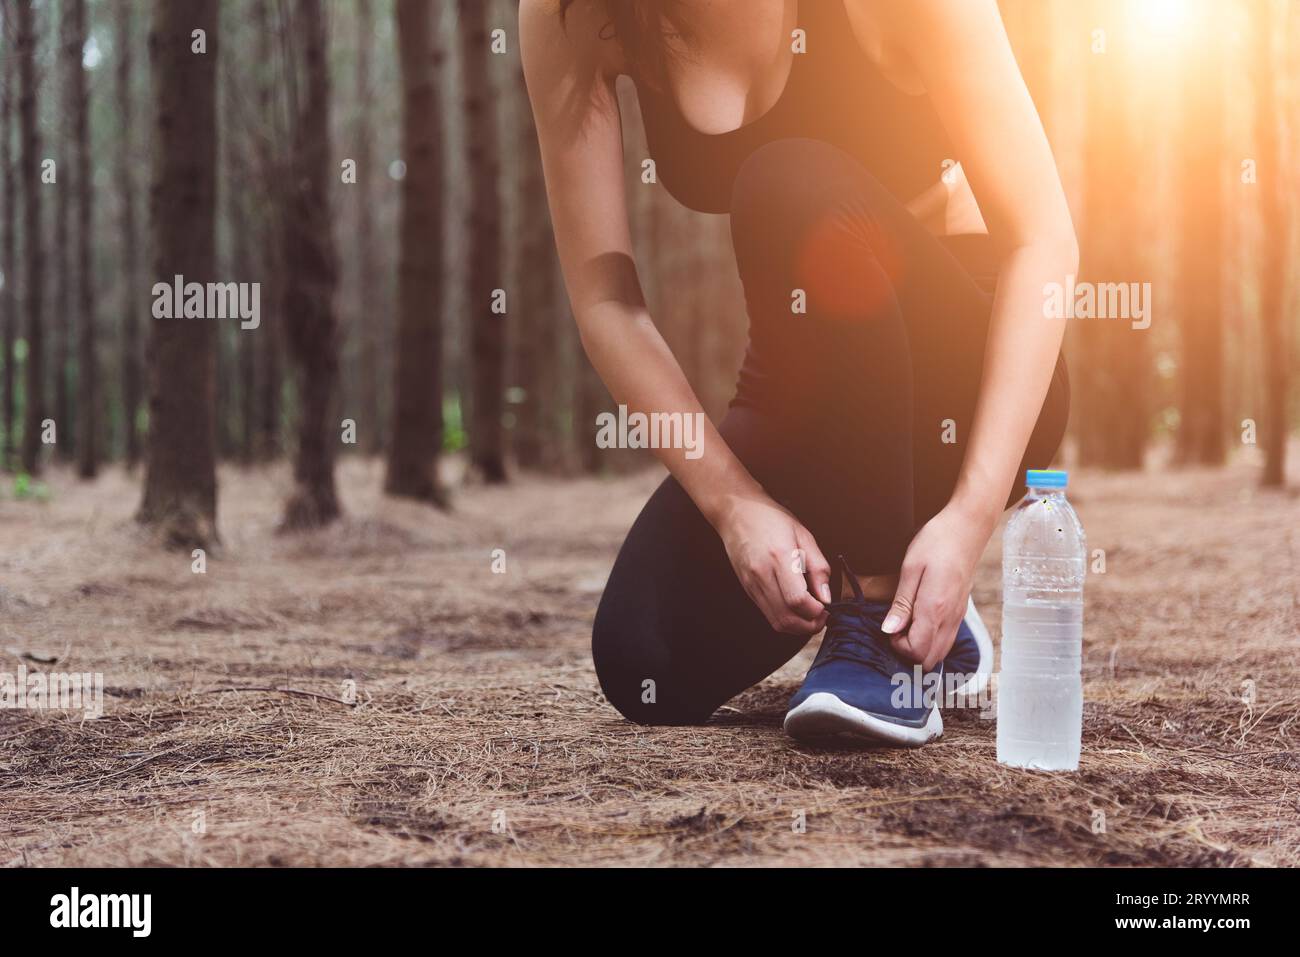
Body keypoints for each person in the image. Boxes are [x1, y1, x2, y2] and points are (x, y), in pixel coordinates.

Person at [520, 0, 1075, 745]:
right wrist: (734, 506)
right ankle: (928, 625)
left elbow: (1044, 243)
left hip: (970, 376)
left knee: (783, 179)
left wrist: (969, 520)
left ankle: (881, 617)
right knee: (644, 657)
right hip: (814, 381)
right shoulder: (574, 14)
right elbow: (605, 301)